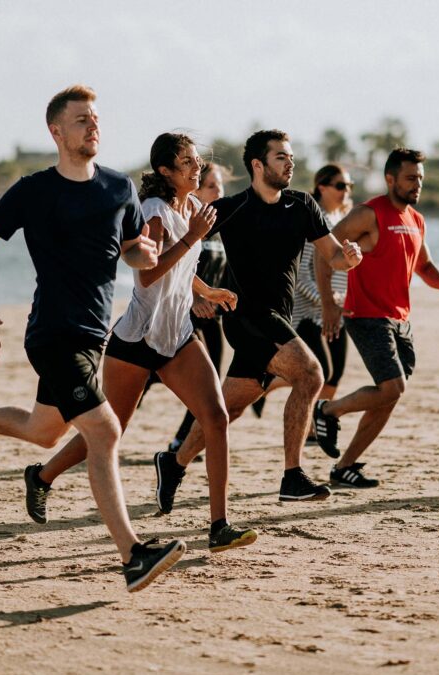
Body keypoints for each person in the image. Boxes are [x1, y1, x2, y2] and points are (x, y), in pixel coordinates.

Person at [0, 85, 186, 591]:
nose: (93, 126)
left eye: (96, 119)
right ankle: (133, 555)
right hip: (52, 334)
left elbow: (132, 248)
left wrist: (146, 254)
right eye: (82, 120)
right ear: (57, 132)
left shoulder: (119, 188)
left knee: (43, 431)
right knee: (105, 432)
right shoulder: (34, 190)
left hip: (92, 336)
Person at [23, 133, 257, 554]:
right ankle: (42, 476)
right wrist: (192, 238)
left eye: (197, 160)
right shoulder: (153, 212)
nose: (197, 167)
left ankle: (219, 525)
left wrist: (206, 291)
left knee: (216, 417)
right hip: (136, 339)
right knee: (110, 429)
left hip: (177, 335)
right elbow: (148, 273)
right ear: (166, 171)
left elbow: (180, 268)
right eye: (187, 162)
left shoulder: (192, 209)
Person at [155, 129, 362, 509]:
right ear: (258, 164)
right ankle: (292, 475)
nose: (290, 163)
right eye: (281, 157)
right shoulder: (231, 208)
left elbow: (333, 255)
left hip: (278, 316)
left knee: (228, 409)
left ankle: (174, 462)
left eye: (290, 157)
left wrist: (348, 258)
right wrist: (197, 295)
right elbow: (179, 252)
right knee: (311, 374)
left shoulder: (302, 205)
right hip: (246, 316)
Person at [312, 148, 439, 488]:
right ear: (390, 179)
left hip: (400, 319)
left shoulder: (416, 220)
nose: (417, 185)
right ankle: (328, 411)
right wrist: (328, 303)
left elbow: (424, 268)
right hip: (366, 316)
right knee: (393, 387)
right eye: (410, 178)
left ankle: (344, 467)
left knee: (389, 395)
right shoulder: (368, 214)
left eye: (420, 178)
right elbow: (323, 252)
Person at [252, 164, 354, 426]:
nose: (346, 191)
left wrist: (342, 301)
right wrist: (325, 301)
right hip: (309, 312)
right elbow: (300, 275)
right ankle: (265, 386)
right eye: (340, 185)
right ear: (322, 187)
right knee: (321, 371)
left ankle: (316, 427)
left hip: (337, 309)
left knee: (335, 374)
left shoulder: (342, 219)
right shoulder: (314, 219)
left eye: (349, 186)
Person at [166, 162, 233, 452]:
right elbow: (172, 267)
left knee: (210, 383)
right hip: (183, 315)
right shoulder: (189, 225)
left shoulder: (220, 227)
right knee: (151, 377)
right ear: (196, 190)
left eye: (221, 186)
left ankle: (182, 439)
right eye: (211, 186)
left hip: (211, 318)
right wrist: (195, 298)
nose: (219, 192)